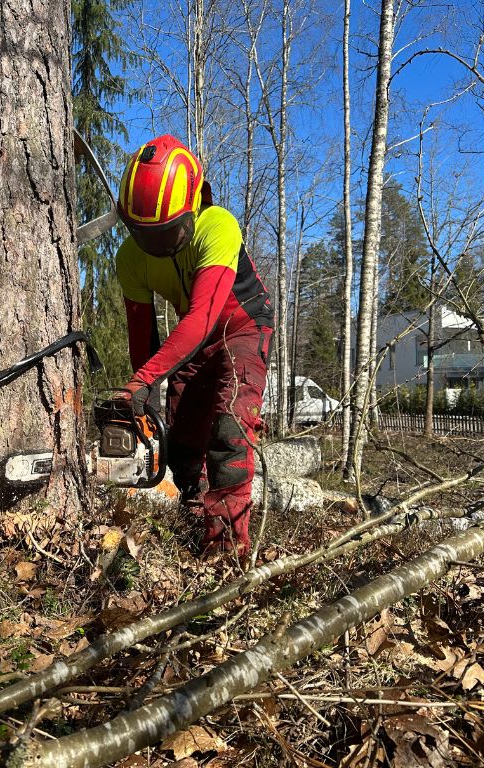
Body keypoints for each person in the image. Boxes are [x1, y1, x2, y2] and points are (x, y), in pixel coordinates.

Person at [114, 135, 274, 557]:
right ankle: (192, 526)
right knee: (182, 443)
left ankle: (225, 552)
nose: (157, 247)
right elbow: (142, 338)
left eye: (167, 234)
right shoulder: (130, 259)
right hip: (196, 339)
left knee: (230, 427)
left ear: (194, 206)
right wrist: (140, 392)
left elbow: (203, 316)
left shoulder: (217, 225)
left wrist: (146, 379)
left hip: (241, 327)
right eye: (145, 236)